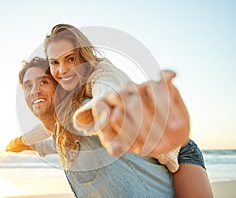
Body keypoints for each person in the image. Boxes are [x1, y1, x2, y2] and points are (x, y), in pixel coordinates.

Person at [10, 56, 175, 197]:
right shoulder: (62, 136)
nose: (34, 91)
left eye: (43, 82)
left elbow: (135, 124)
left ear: (60, 88)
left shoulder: (87, 113)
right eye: (28, 86)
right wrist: (21, 144)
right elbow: (48, 145)